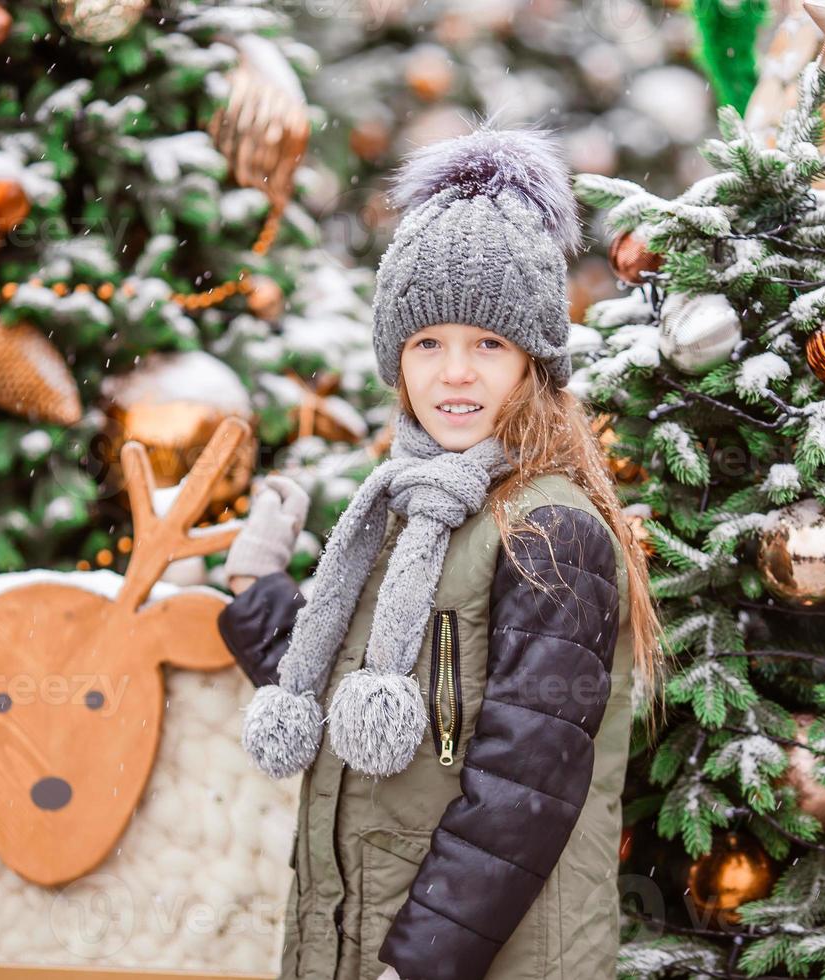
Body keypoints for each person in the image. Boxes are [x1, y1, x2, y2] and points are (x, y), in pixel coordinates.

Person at [215, 123, 662, 980]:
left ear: (533, 360)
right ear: (397, 359)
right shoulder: (403, 510)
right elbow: (364, 694)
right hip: (360, 931)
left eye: (486, 344)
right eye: (428, 344)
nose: (455, 373)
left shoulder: (547, 531)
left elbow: (522, 791)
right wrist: (255, 586)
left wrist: (416, 966)